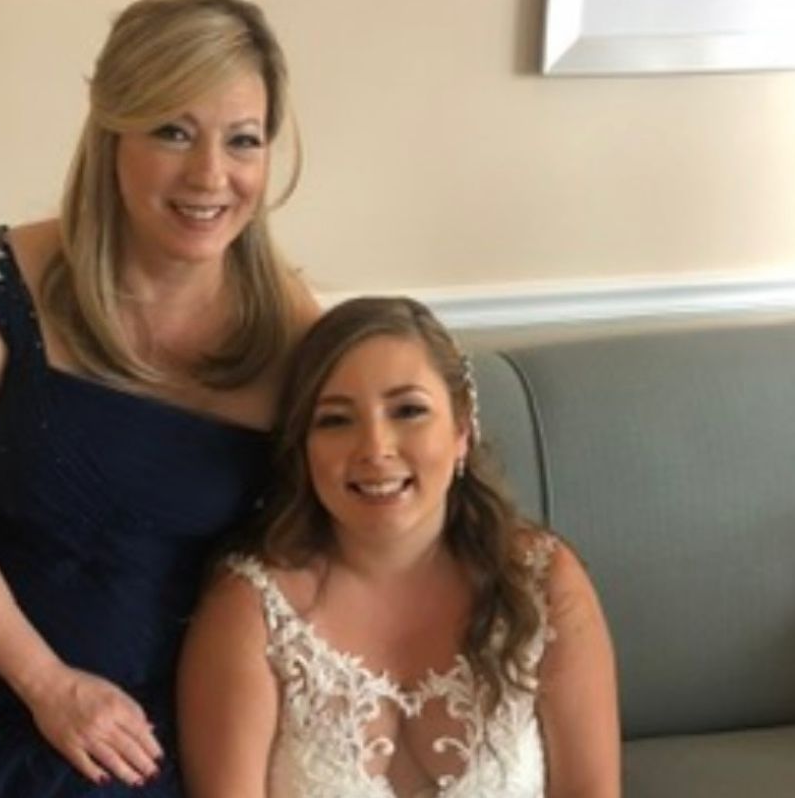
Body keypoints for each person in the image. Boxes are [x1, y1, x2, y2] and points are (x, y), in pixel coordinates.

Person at [0, 0, 317, 795]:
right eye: (173, 131)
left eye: (243, 140)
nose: (210, 176)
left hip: (147, 724)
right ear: (112, 131)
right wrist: (47, 684)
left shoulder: (295, 334)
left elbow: (359, 527)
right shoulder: (5, 276)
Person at [178, 297, 620, 798]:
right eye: (335, 420)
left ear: (461, 431)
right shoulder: (250, 608)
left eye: (408, 411)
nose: (375, 448)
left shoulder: (543, 579)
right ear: (303, 448)